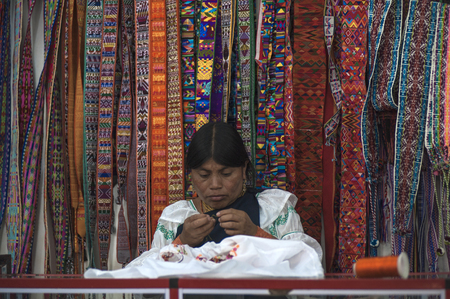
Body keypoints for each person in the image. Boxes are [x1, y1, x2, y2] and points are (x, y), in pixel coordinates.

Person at [128, 121, 322, 267]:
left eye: (226, 174)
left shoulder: (273, 209)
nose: (215, 185)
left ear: (244, 169)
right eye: (204, 175)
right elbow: (145, 283)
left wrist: (256, 233)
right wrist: (182, 242)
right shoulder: (175, 218)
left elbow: (308, 266)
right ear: (191, 175)